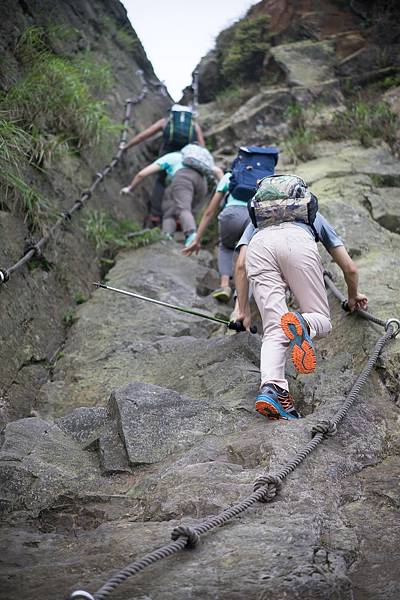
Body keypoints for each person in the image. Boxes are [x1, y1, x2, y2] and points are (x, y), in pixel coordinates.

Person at [234, 174, 368, 421]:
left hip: (259, 249)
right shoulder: (312, 216)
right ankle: (303, 323)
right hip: (298, 244)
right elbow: (350, 268)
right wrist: (353, 296)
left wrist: (242, 310)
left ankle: (272, 388)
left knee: (274, 329)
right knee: (321, 321)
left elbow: (241, 265)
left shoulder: (259, 221)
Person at [183, 146, 279, 303]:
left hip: (230, 215)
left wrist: (197, 239)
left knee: (226, 247)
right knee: (249, 252)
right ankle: (242, 294)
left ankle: (225, 285)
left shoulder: (229, 176)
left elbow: (209, 212)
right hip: (253, 217)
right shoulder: (267, 181)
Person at [120, 144, 223, 246]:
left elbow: (142, 174)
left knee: (183, 208)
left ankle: (190, 236)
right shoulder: (200, 161)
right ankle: (169, 235)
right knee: (174, 209)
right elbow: (218, 171)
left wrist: (130, 188)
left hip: (183, 179)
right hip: (202, 184)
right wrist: (224, 187)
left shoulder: (174, 156)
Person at [120, 105, 205, 224]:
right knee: (184, 185)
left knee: (160, 182)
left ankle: (155, 214)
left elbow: (143, 135)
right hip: (187, 159)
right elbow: (202, 146)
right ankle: (179, 217)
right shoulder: (193, 126)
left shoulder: (166, 122)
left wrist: (127, 146)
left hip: (166, 156)